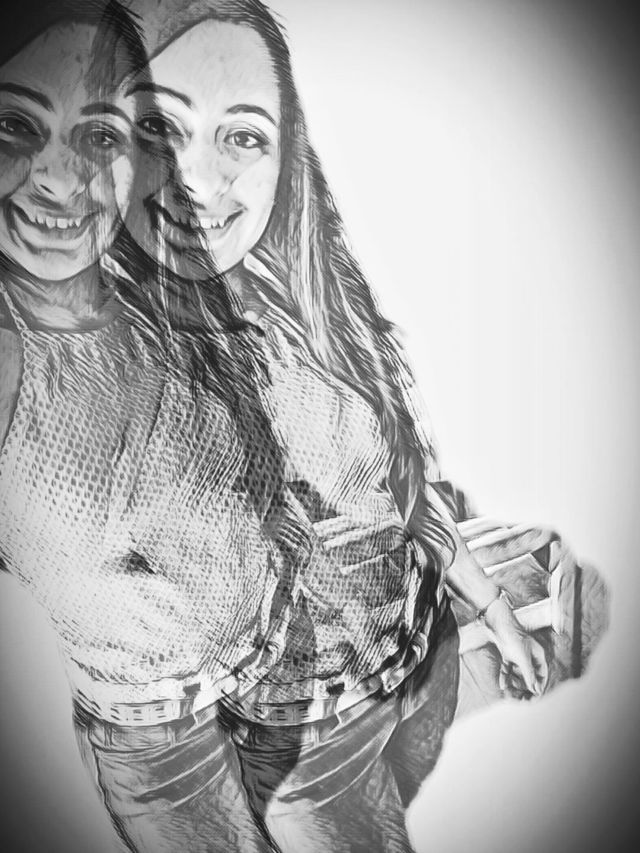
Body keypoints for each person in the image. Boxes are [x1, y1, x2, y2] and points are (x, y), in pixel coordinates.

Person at [119, 2, 558, 850]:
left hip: (419, 661)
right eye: (161, 129)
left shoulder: (306, 296)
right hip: (308, 747)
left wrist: (495, 609)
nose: (199, 180)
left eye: (240, 135)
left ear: (284, 153)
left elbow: (405, 486)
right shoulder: (110, 364)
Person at [0, 2, 312, 851]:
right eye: (15, 125)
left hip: (277, 665)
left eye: (100, 135)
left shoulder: (154, 285)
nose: (61, 180)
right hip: (159, 743)